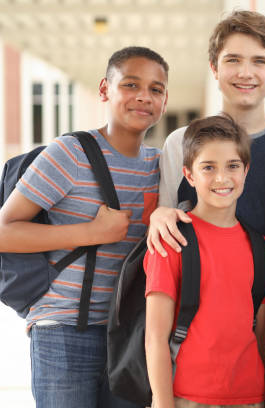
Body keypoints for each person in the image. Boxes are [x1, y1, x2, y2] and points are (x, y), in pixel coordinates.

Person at [0, 46, 168, 407]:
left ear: (165, 101)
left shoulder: (161, 166)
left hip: (126, 335)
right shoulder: (70, 154)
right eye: (131, 84)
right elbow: (3, 231)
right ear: (105, 90)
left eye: (156, 89)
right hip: (63, 332)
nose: (144, 96)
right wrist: (91, 233)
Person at [148, 10, 265, 256]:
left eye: (259, 61)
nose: (245, 73)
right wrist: (159, 216)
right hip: (198, 289)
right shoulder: (181, 143)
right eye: (233, 60)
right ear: (214, 68)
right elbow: (166, 219)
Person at [144, 115, 265, 408]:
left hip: (251, 396)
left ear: (246, 171)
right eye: (208, 168)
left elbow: (263, 336)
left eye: (233, 166)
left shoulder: (262, 248)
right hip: (186, 396)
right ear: (189, 175)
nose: (222, 178)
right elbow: (155, 337)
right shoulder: (172, 240)